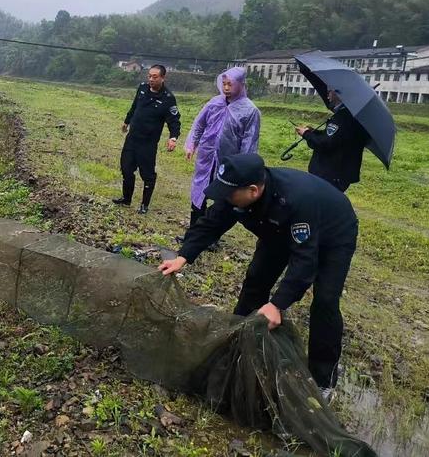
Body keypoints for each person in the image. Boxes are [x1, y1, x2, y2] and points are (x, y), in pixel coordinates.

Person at [159, 153, 358, 401]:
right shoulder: (235, 193)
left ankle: (323, 379)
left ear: (253, 191)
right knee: (255, 280)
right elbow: (211, 223)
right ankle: (238, 344)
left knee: (326, 301)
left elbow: (304, 264)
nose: (224, 197)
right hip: (278, 229)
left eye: (229, 193)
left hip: (333, 234)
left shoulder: (296, 200)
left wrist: (277, 305)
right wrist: (183, 256)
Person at [185, 67, 260, 226]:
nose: (226, 88)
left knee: (223, 197)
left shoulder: (250, 110)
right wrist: (192, 144)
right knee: (200, 189)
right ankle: (194, 229)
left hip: (229, 161)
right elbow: (199, 124)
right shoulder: (214, 103)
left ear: (240, 84)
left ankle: (211, 235)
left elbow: (250, 141)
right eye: (224, 84)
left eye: (230, 84)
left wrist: (242, 167)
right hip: (206, 156)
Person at [113, 65, 181, 214]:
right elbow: (135, 106)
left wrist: (173, 138)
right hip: (132, 138)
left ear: (163, 78)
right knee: (126, 168)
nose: (151, 79)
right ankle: (126, 199)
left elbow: (174, 120)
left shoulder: (168, 98)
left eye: (155, 77)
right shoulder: (142, 88)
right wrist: (127, 121)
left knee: (147, 175)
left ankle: (144, 205)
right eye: (149, 76)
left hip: (148, 143)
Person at [294, 89, 369, 192]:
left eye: (329, 91)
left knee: (320, 205)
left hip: (330, 175)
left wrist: (306, 134)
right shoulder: (352, 116)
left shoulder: (342, 117)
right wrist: (312, 132)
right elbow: (336, 138)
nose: (327, 94)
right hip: (340, 174)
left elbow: (324, 143)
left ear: (338, 94)